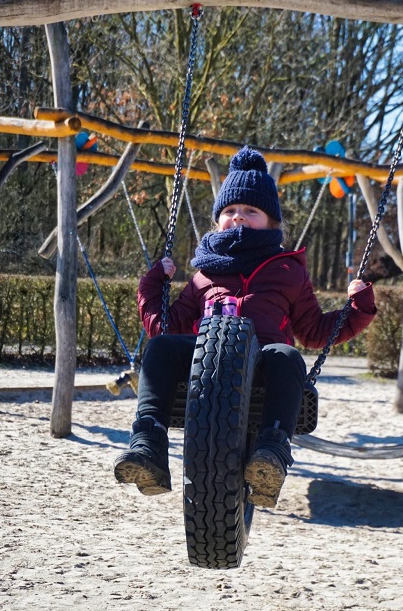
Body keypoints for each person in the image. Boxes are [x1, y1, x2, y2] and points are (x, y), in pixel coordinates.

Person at [114, 146, 377, 507]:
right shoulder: (205, 273)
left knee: (288, 356)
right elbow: (164, 327)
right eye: (230, 210)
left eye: (251, 211)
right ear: (218, 220)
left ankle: (271, 451)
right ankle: (148, 444)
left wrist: (358, 307)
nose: (238, 217)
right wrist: (153, 283)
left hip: (262, 365)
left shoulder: (287, 271)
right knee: (160, 348)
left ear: (272, 223)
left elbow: (315, 332)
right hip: (207, 364)